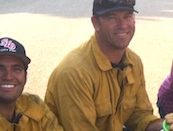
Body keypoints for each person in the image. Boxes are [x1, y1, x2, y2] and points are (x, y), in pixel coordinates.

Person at [43, 0, 162, 130]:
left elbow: (139, 114)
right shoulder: (75, 72)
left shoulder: (133, 62)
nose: (122, 25)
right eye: (112, 18)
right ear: (95, 23)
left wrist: (165, 127)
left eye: (127, 16)